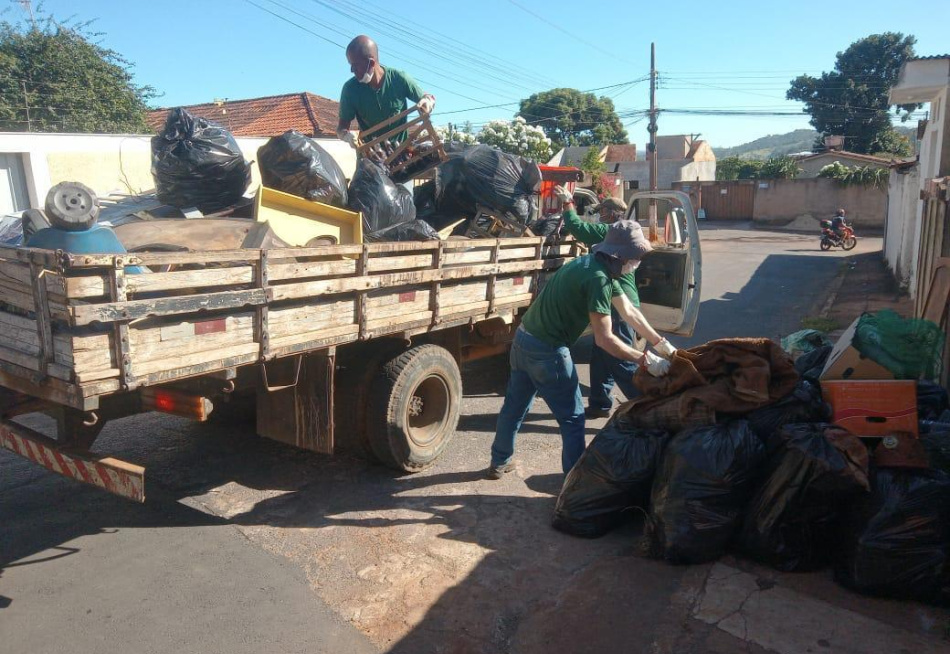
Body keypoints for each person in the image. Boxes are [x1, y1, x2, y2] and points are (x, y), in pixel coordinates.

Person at [488, 217, 677, 478]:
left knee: (514, 407)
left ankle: (499, 461)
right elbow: (605, 339)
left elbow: (629, 312)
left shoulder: (591, 263)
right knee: (573, 418)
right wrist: (644, 359)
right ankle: (574, 483)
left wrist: (660, 343)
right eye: (635, 257)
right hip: (547, 351)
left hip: (522, 342)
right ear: (622, 256)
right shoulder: (599, 280)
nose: (637, 263)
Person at [560, 191, 645, 418]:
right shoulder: (624, 232)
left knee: (619, 358)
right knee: (599, 357)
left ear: (611, 214)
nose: (600, 216)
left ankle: (647, 404)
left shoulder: (609, 232)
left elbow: (579, 229)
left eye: (603, 212)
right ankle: (599, 403)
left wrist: (567, 204)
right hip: (616, 300)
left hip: (617, 303)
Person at [336, 35, 436, 149]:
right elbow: (341, 128)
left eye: (356, 66)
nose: (352, 70)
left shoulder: (399, 78)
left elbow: (427, 97)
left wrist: (428, 102)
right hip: (372, 158)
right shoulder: (350, 90)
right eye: (350, 65)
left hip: (402, 152)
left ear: (371, 63)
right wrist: (346, 135)